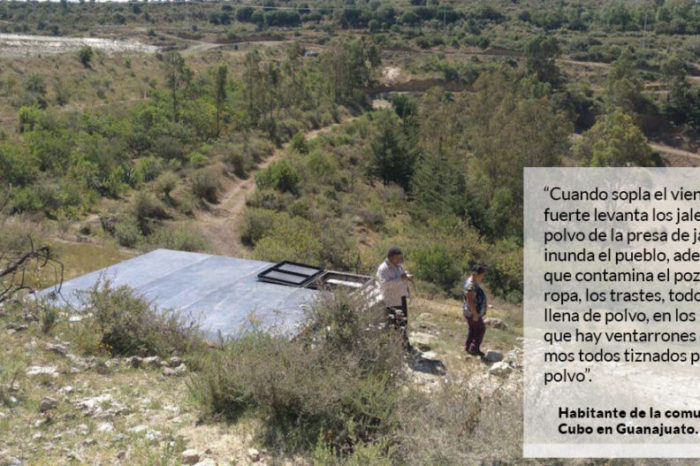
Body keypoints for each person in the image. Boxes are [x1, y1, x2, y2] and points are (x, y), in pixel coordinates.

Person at [376, 246, 414, 351]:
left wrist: (407, 276)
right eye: (397, 258)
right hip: (391, 300)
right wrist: (400, 279)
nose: (399, 260)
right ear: (390, 257)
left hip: (401, 297)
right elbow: (384, 284)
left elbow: (403, 275)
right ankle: (396, 346)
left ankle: (404, 345)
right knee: (394, 323)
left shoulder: (399, 266)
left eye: (400, 258)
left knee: (403, 322)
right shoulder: (383, 268)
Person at [463, 264, 488, 357]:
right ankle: (474, 349)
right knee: (480, 329)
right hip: (472, 313)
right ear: (477, 274)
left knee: (473, 329)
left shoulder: (473, 282)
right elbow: (470, 301)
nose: (483, 277)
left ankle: (468, 346)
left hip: (471, 312)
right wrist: (475, 314)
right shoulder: (471, 286)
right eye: (482, 275)